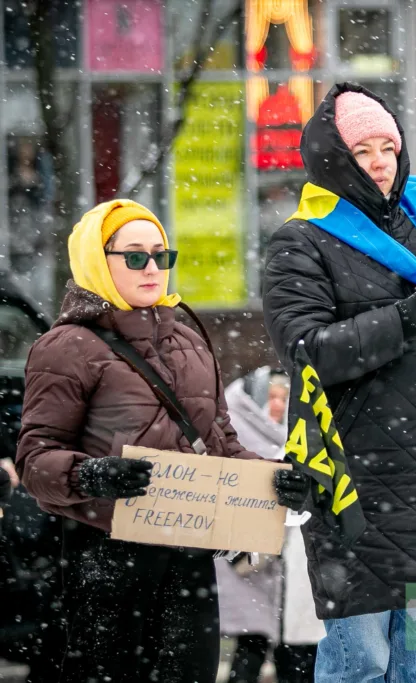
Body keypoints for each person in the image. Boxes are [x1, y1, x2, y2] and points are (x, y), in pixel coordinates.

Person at [262, 84, 416, 682]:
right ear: (333, 159)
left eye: (388, 148)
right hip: (358, 486)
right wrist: (412, 317)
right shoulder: (302, 242)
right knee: (362, 663)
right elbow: (308, 351)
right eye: (363, 151)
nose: (380, 163)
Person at [15, 199, 309, 683]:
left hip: (189, 554)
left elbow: (222, 446)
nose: (152, 267)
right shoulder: (67, 346)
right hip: (107, 558)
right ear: (97, 261)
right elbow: (35, 460)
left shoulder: (188, 340)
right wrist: (91, 474)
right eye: (134, 256)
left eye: (160, 254)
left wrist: (274, 480)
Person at [217, 367, 321, 683]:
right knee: (251, 644)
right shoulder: (234, 429)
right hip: (246, 561)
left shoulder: (305, 433)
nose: (278, 405)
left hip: (295, 564)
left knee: (299, 649)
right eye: (272, 396)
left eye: (284, 398)